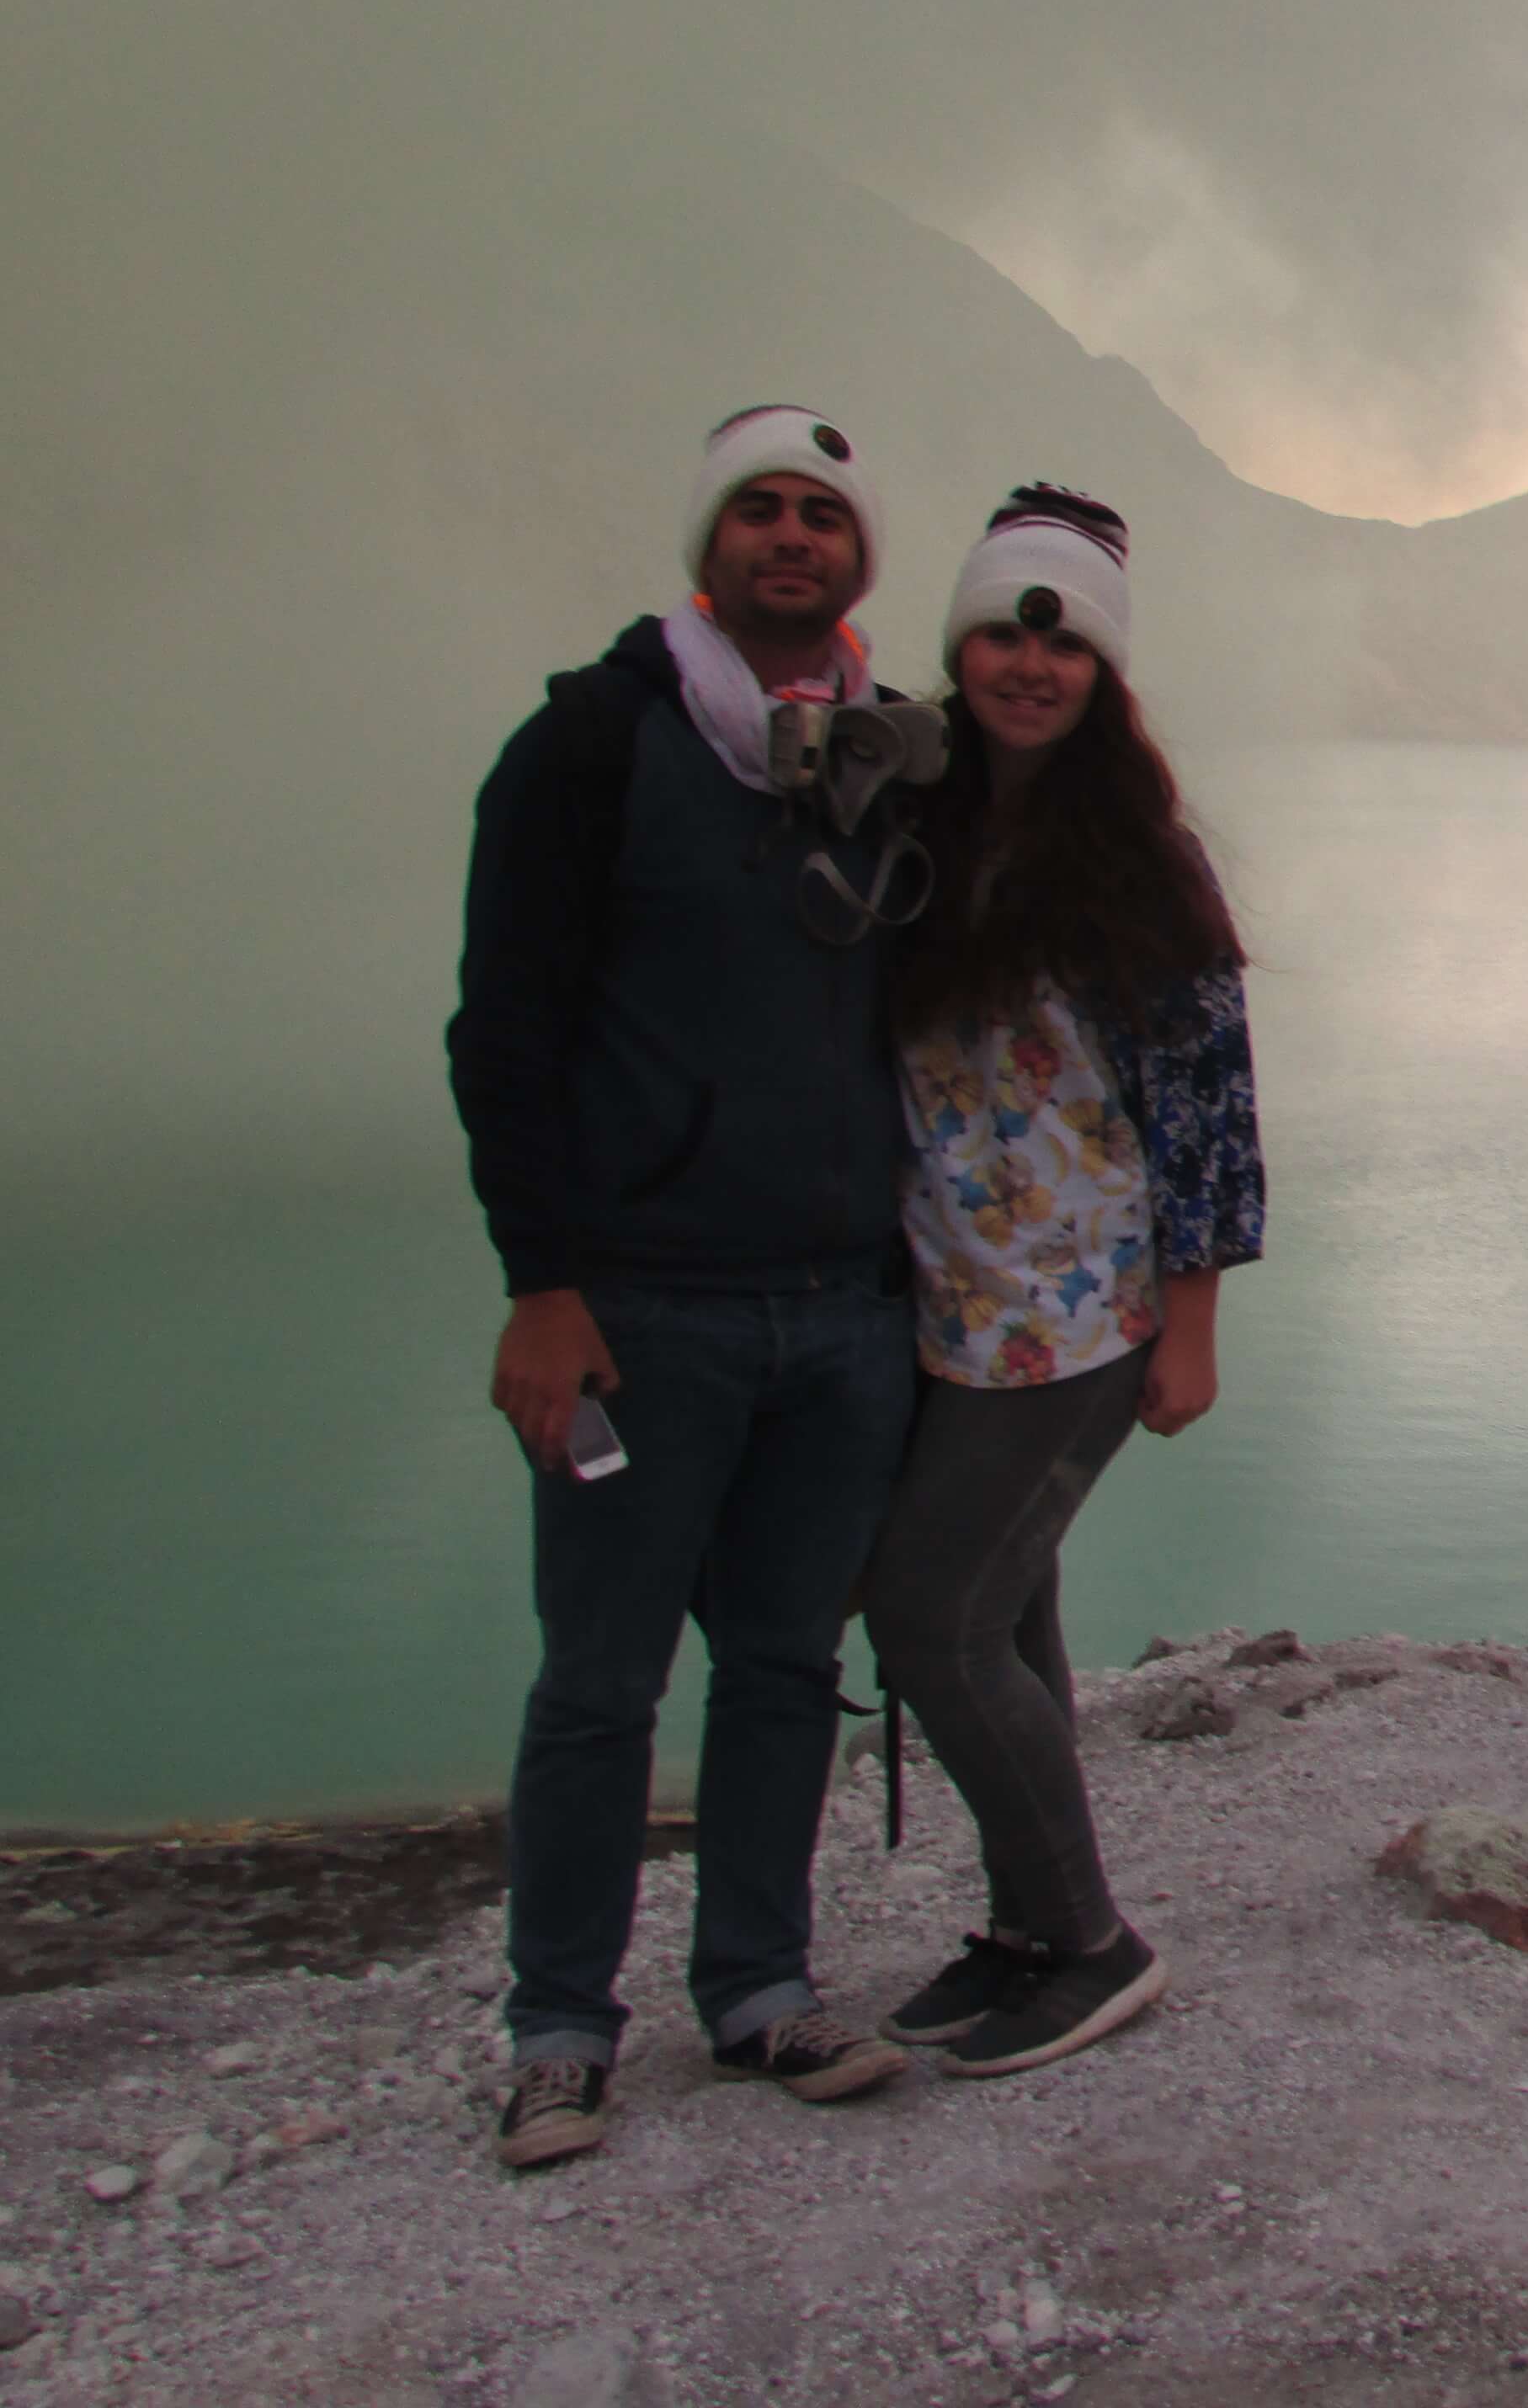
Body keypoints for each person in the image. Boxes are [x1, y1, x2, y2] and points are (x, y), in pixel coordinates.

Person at [446, 406, 926, 2171]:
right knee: (598, 1681)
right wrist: (540, 1284)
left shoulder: (883, 758)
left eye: (823, 516)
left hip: (846, 1307)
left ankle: (758, 1992)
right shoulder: (594, 741)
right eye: (759, 512)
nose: (792, 537)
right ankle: (561, 2027)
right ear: (707, 545)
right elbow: (502, 1032)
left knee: (790, 1664)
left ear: (859, 557)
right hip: (644, 1308)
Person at [860, 484, 1263, 2076]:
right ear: (958, 640)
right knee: (1008, 1620)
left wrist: (1196, 1324)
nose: (1031, 662)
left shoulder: (1135, 859)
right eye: (1003, 628)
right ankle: (1033, 1928)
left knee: (926, 1617)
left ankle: (1091, 1942)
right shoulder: (923, 817)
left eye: (1064, 639)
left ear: (1101, 673)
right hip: (954, 1303)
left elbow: (1212, 1107)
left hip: (1086, 1313)